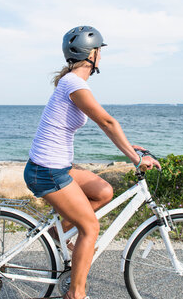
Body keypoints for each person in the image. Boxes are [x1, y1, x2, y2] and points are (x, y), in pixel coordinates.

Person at [24, 25, 161, 299]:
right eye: (100, 51)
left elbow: (107, 125)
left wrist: (128, 146)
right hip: (47, 171)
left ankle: (57, 233)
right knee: (91, 227)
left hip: (56, 166)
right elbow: (107, 122)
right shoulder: (74, 83)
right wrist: (136, 159)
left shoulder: (72, 83)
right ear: (92, 54)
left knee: (104, 192)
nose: (102, 56)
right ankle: (76, 294)